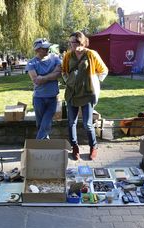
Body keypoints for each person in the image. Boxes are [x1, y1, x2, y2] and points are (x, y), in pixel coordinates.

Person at [62, 31, 108, 160]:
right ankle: (74, 147)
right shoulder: (68, 55)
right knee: (71, 123)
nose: (72, 45)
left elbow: (103, 70)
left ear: (81, 42)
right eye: (70, 42)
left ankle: (93, 146)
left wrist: (93, 81)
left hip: (87, 94)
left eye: (74, 42)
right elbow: (64, 71)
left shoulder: (91, 54)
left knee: (87, 124)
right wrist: (68, 81)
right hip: (71, 93)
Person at [27, 38, 62, 139]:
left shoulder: (55, 58)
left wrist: (43, 77)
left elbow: (59, 73)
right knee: (40, 123)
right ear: (37, 50)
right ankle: (44, 144)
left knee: (46, 122)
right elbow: (36, 80)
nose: (47, 49)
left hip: (52, 97)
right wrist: (52, 74)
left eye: (47, 47)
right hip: (39, 98)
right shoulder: (31, 63)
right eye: (44, 48)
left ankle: (37, 143)